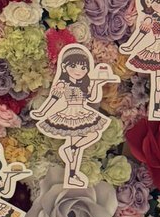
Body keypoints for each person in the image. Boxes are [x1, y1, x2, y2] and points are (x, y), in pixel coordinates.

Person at [30, 43, 117, 187]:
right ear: (65, 67)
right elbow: (53, 99)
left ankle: (71, 159)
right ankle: (72, 174)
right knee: (75, 146)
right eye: (73, 66)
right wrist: (42, 112)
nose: (78, 70)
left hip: (82, 113)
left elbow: (93, 98)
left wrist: (97, 84)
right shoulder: (62, 84)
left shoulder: (84, 84)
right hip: (69, 114)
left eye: (83, 68)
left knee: (89, 137)